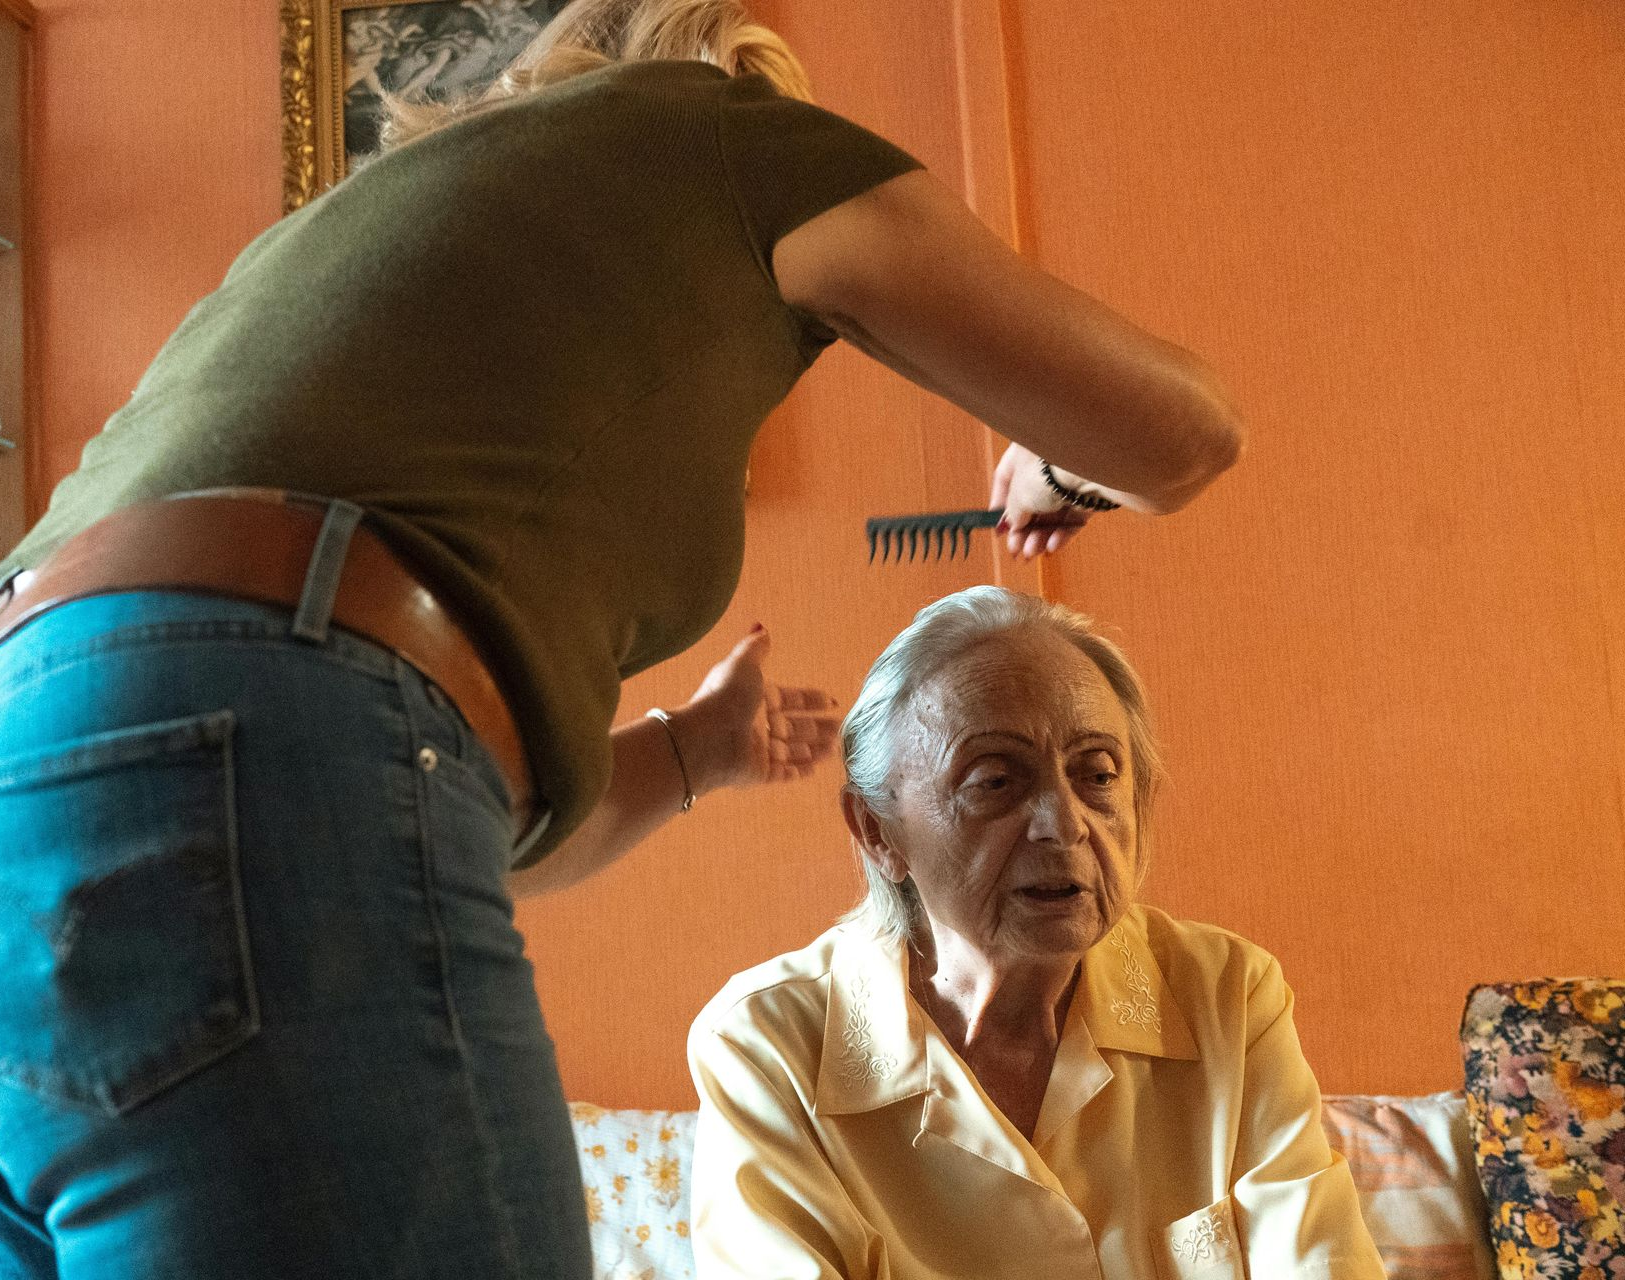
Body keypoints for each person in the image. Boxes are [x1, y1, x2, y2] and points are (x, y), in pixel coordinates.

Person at [0, 0, 1243, 1273]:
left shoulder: (362, 253)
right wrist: (1057, 468)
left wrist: (689, 751)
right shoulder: (723, 132)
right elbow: (1180, 435)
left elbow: (426, 812)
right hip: (254, 752)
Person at [688, 587, 1384, 1280]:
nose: (1065, 822)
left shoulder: (1224, 995)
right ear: (877, 831)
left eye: (1097, 774)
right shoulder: (768, 1044)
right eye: (995, 780)